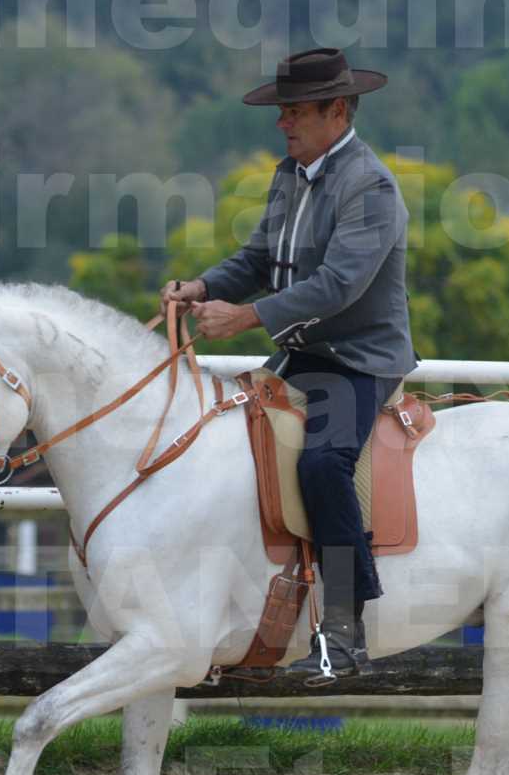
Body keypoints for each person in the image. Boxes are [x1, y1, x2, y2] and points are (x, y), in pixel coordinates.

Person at [161, 47, 414, 681]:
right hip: (302, 354)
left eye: (294, 112)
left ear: (336, 110)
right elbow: (256, 261)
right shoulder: (290, 176)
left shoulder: (372, 187)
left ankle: (343, 634)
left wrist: (246, 318)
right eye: (282, 112)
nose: (282, 123)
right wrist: (202, 284)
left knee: (326, 463)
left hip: (359, 360)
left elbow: (338, 285)